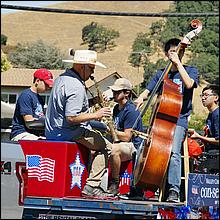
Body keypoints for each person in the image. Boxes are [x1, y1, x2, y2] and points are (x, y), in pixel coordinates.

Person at [134, 38, 199, 203]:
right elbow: (148, 91)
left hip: (179, 120)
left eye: (177, 51)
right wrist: (141, 98)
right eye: (171, 52)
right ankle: (139, 187)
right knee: (142, 148)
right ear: (166, 54)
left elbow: (189, 84)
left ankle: (173, 191)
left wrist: (178, 64)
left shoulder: (190, 70)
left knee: (173, 153)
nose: (174, 54)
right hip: (160, 120)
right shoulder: (161, 73)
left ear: (182, 52)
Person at [45, 50, 115, 199]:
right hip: (68, 131)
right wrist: (98, 114)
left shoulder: (62, 79)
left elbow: (71, 107)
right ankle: (92, 186)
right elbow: (71, 117)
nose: (92, 73)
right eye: (91, 68)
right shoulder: (76, 86)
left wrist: (94, 102)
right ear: (82, 67)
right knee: (107, 147)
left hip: (53, 130)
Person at [104, 78, 144, 196]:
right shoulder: (116, 108)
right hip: (120, 142)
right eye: (114, 92)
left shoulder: (131, 111)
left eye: (117, 92)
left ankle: (114, 184)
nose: (114, 94)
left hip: (133, 146)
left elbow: (127, 137)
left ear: (127, 93)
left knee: (115, 150)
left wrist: (109, 129)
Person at [10, 68, 54, 141]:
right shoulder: (26, 95)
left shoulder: (40, 98)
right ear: (37, 81)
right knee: (43, 143)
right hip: (21, 134)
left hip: (33, 135)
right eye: (46, 84)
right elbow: (29, 122)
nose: (48, 87)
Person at [188, 84, 219, 173]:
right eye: (202, 95)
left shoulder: (217, 115)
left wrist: (199, 137)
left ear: (216, 98)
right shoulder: (211, 114)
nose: (203, 98)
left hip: (215, 158)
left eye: (206, 95)